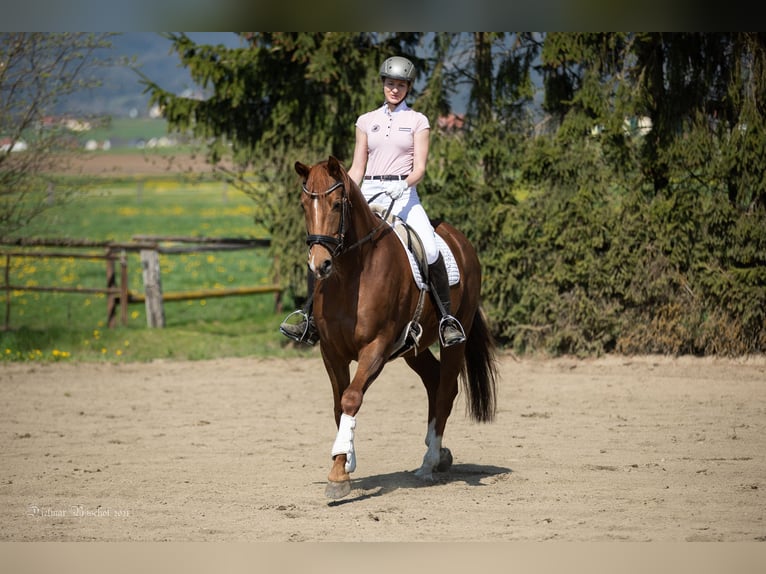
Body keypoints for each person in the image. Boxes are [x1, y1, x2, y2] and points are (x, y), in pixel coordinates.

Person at [280, 55, 466, 347]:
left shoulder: (418, 121)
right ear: (383, 85)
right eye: (390, 83)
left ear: (408, 87)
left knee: (429, 249)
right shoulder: (366, 121)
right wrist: (346, 188)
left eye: (401, 85)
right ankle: (309, 318)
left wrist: (402, 186)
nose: (395, 89)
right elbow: (357, 166)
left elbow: (419, 168)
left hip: (404, 193)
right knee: (326, 245)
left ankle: (445, 320)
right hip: (367, 191)